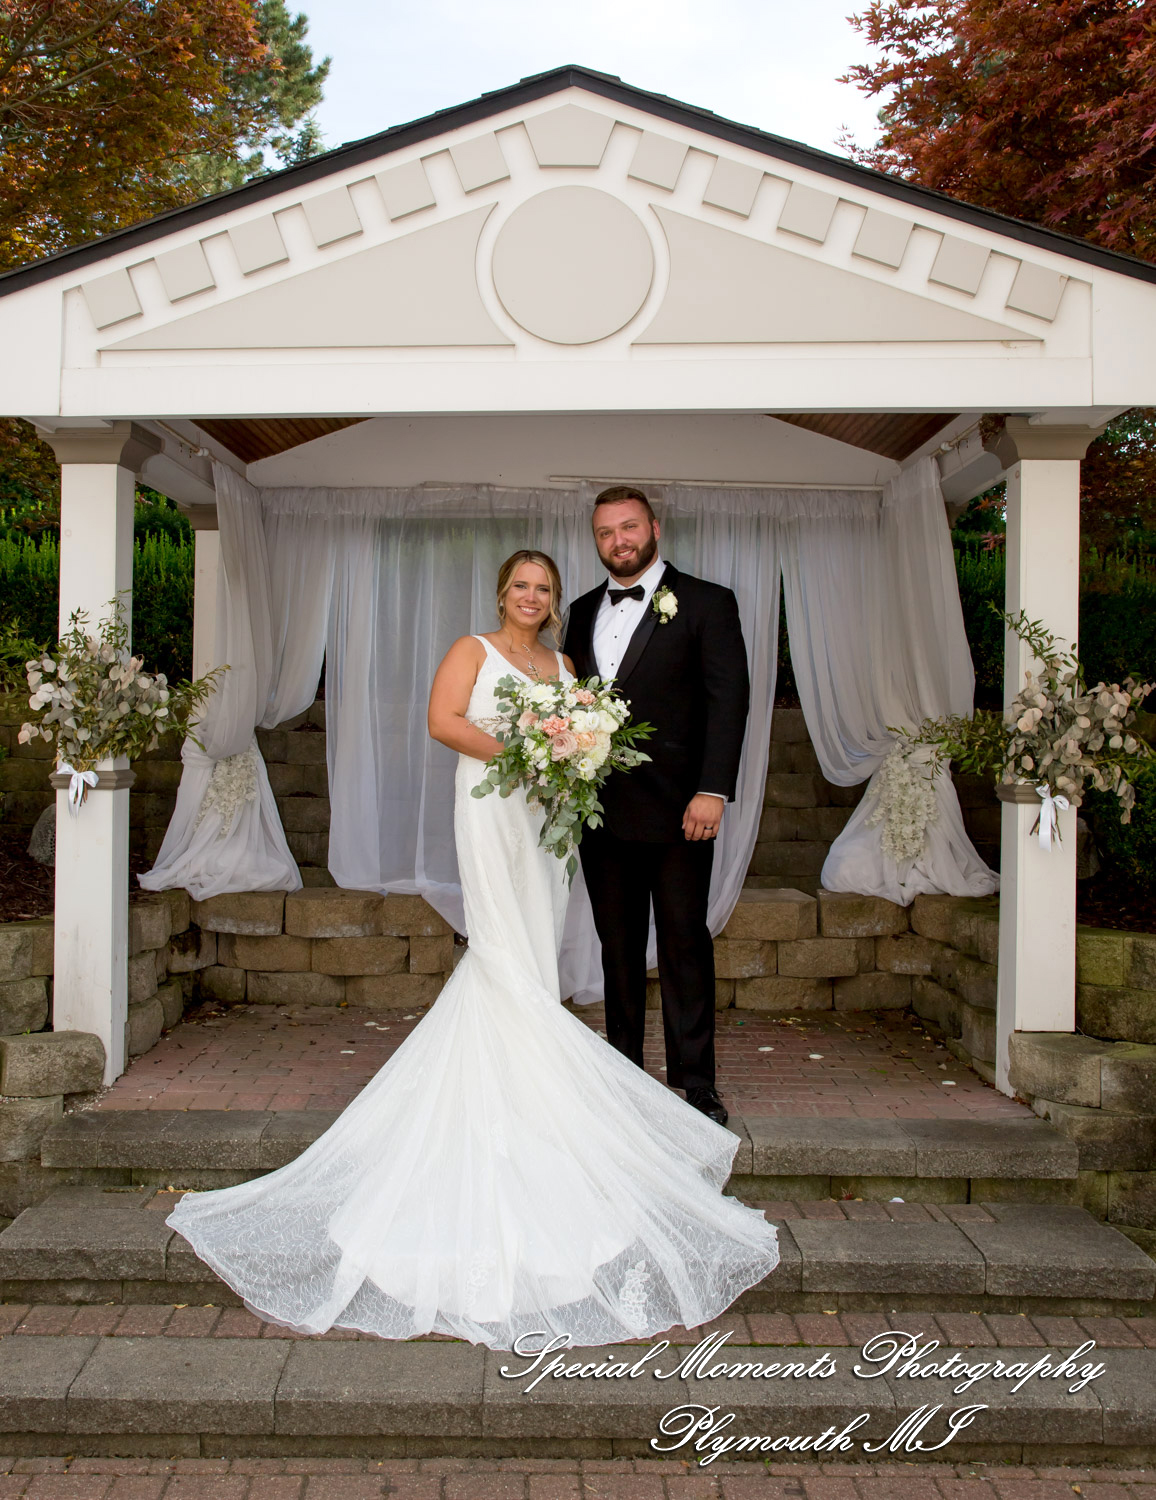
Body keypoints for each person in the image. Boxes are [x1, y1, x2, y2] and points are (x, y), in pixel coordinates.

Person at [165, 550, 777, 1350]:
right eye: (521, 585)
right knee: (502, 954)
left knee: (537, 954)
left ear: (555, 602)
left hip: (544, 824)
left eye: (543, 588)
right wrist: (526, 754)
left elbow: (586, 736)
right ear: (502, 593)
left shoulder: (565, 665)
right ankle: (518, 1103)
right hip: (492, 815)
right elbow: (444, 722)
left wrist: (568, 757)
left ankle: (535, 1098)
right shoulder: (472, 650)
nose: (531, 596)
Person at [565, 488, 750, 1127]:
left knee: (683, 946)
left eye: (629, 527)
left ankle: (696, 1085)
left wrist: (713, 789)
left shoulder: (707, 602)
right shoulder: (580, 611)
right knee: (616, 950)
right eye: (605, 532)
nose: (618, 540)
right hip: (602, 814)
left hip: (682, 812)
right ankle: (624, 1079)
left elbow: (729, 700)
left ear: (655, 528)